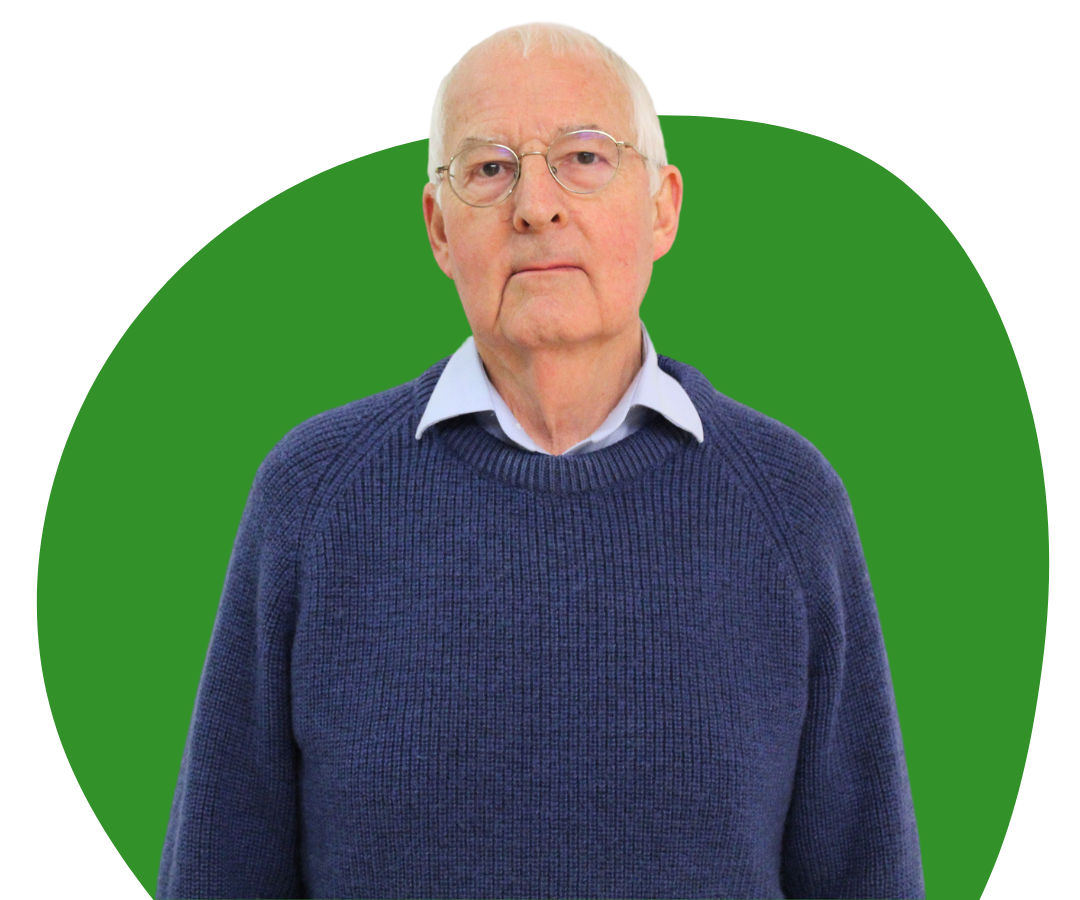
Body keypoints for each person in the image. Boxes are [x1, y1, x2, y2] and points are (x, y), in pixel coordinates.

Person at [158, 22, 924, 900]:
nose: (535, 205)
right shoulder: (314, 499)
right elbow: (216, 873)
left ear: (663, 207)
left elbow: (869, 873)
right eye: (489, 168)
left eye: (585, 157)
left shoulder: (788, 504)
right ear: (440, 229)